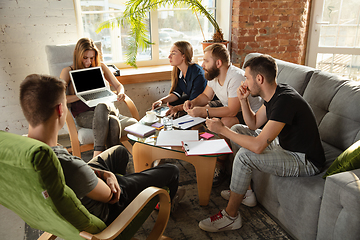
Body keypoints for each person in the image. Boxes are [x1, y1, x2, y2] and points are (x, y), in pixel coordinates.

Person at [20, 74, 185, 225]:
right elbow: (110, 195)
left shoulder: (23, 148)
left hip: (82, 186)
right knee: (171, 170)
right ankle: (144, 200)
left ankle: (129, 184)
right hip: (106, 209)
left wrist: (106, 173)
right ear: (60, 110)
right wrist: (110, 179)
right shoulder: (70, 166)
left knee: (119, 153)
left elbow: (77, 171)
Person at [198, 54, 326, 232]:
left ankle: (230, 217)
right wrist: (243, 101)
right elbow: (253, 124)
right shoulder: (275, 93)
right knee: (237, 129)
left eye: (247, 78)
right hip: (284, 145)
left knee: (244, 156)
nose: (245, 82)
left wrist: (222, 130)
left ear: (259, 78)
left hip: (304, 160)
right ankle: (246, 193)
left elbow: (258, 146)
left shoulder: (285, 101)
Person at [183, 43, 263, 186]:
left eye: (206, 60)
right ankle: (201, 154)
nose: (202, 64)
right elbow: (206, 96)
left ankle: (221, 166)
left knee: (226, 121)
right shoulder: (213, 75)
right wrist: (193, 102)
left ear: (218, 63)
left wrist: (204, 111)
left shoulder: (235, 77)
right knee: (204, 112)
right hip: (235, 110)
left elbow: (232, 110)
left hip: (252, 115)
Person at [60, 38, 137, 158]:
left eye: (92, 58)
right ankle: (114, 161)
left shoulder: (100, 67)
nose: (88, 62)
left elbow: (118, 86)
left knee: (102, 105)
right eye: (85, 58)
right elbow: (60, 98)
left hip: (107, 108)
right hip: (85, 115)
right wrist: (80, 96)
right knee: (113, 122)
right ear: (76, 53)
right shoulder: (68, 71)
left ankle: (97, 154)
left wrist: (121, 92)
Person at [151, 41, 207, 117]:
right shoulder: (179, 72)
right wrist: (161, 101)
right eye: (170, 53)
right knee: (171, 103)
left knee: (176, 107)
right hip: (191, 101)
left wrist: (177, 108)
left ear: (183, 56)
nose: (169, 56)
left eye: (173, 53)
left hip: (203, 104)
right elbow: (176, 93)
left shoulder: (198, 74)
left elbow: (194, 101)